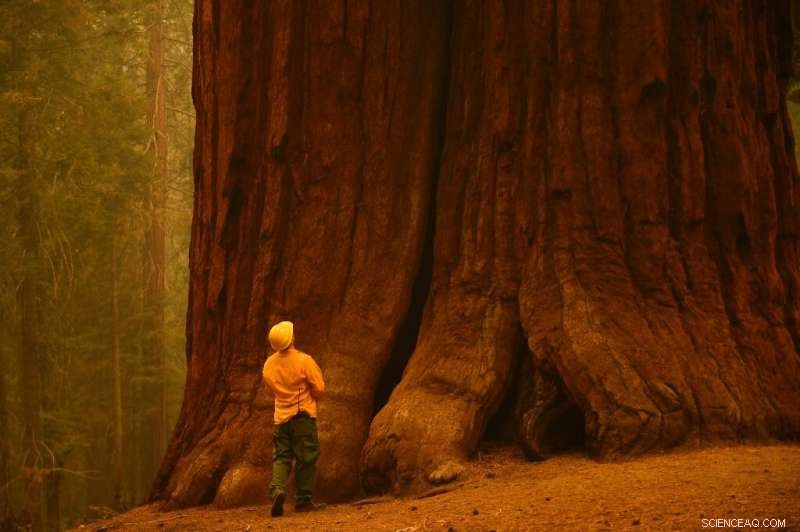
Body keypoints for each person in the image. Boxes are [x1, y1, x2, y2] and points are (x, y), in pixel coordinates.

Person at [262, 320, 326, 517]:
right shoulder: (304, 360)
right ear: (291, 339)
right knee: (306, 458)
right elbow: (320, 389)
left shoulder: (269, 364)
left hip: (280, 420)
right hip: (302, 417)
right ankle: (304, 500)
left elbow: (269, 390)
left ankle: (278, 489)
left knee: (281, 456)